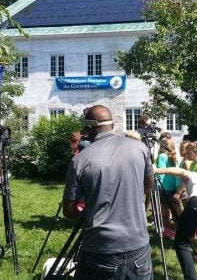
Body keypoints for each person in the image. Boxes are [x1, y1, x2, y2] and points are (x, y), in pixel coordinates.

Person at [62, 105, 154, 280]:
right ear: (112, 124)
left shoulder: (79, 160)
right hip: (138, 245)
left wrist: (89, 215)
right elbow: (148, 184)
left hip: (100, 249)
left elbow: (69, 210)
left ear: (89, 129)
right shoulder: (140, 148)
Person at [154, 166, 197, 280]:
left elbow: (180, 171)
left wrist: (157, 170)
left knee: (181, 243)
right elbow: (184, 188)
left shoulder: (193, 175)